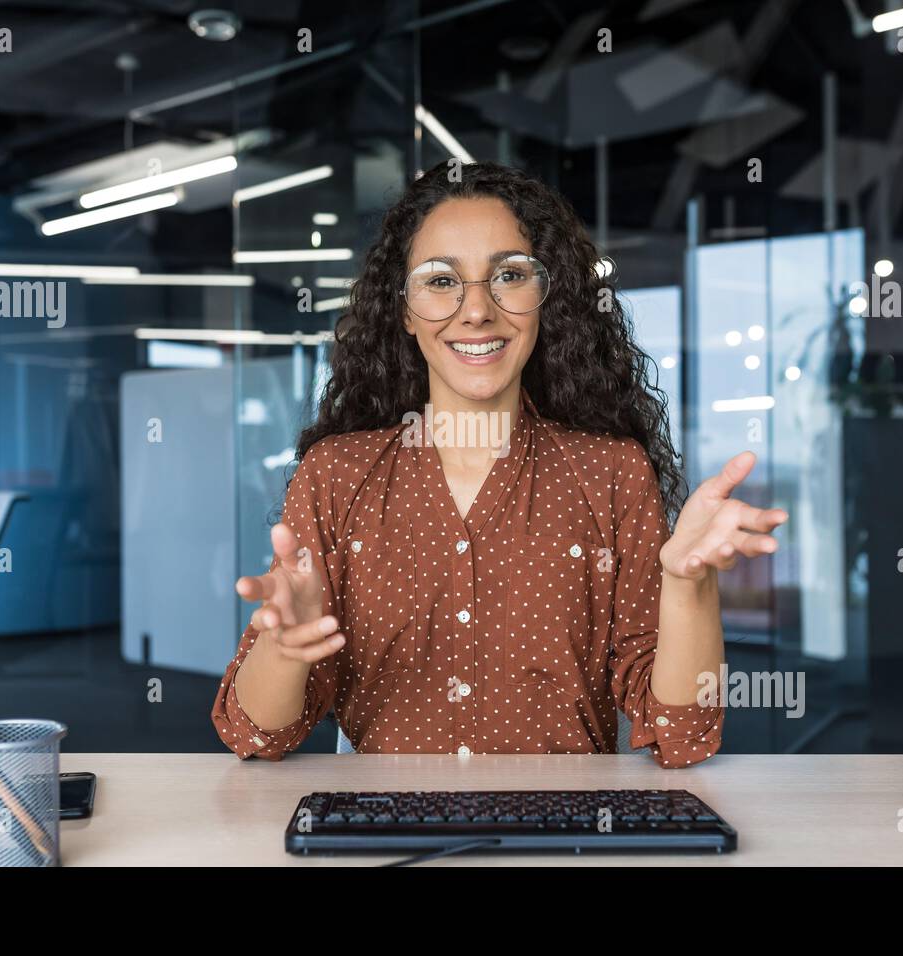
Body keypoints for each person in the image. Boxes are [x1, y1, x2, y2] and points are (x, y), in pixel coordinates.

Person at [211, 162, 787, 767]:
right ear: (405, 309)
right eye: (441, 281)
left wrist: (689, 585)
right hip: (389, 839)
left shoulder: (612, 473)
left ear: (544, 297)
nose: (477, 310)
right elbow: (255, 736)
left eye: (508, 275)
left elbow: (683, 736)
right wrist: (283, 648)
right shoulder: (336, 476)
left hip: (565, 841)